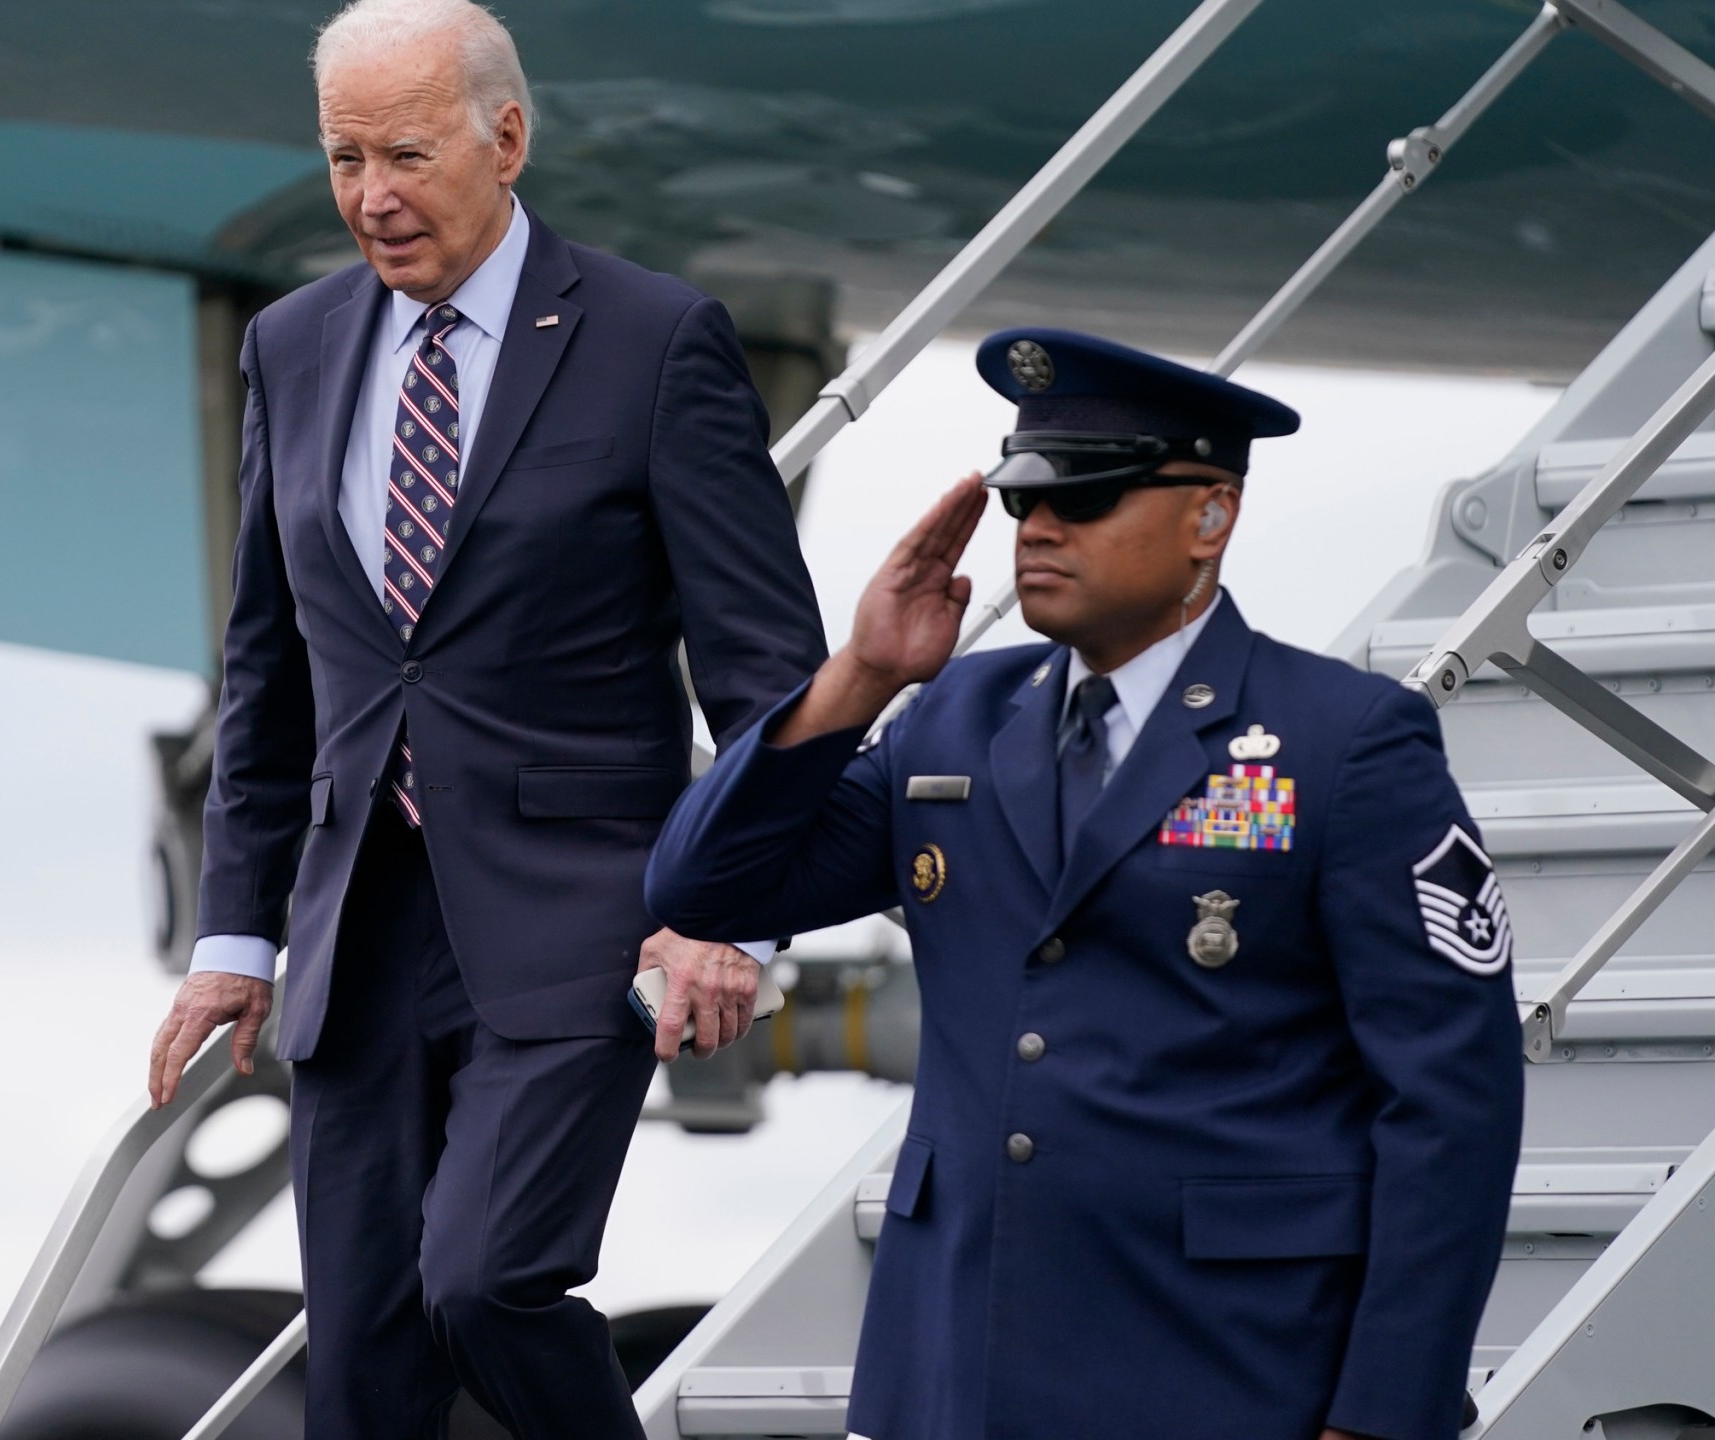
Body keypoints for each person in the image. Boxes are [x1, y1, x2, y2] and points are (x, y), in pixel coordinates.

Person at [141, 0, 828, 1433]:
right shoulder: (292, 344)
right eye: (342, 160)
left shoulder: (653, 340)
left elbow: (766, 668)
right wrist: (231, 939)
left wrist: (736, 913)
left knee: (486, 1280)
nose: (372, 198)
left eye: (405, 154)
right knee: (370, 1370)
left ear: (506, 138)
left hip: (580, 921)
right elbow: (272, 669)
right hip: (361, 929)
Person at [645, 329, 1525, 1440]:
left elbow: (1451, 1103)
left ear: (1210, 515)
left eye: (1092, 497)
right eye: (1023, 503)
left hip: (1229, 1369)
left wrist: (1383, 1415)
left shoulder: (1341, 742)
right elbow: (710, 886)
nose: (1044, 528)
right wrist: (858, 677)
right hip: (959, 1367)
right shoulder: (956, 717)